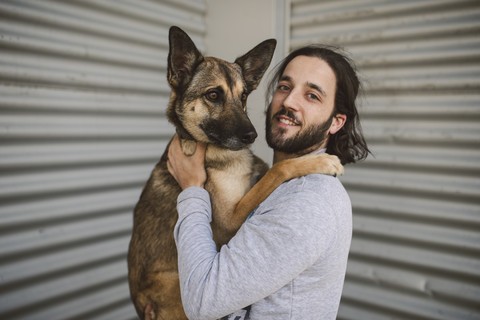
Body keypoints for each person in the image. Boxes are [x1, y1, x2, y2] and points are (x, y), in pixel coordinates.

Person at [167, 45, 369, 320]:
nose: (289, 102)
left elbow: (203, 301)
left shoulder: (309, 201)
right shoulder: (282, 185)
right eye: (285, 87)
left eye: (312, 95)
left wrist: (192, 189)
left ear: (336, 122)